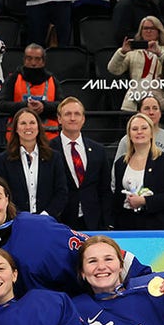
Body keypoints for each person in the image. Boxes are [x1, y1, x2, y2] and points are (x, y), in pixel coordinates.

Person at [0, 174, 148, 296]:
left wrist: (146, 279)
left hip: (49, 321)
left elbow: (97, 252)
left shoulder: (41, 230)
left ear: (7, 199)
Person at [112, 112, 164, 231]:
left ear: (151, 133)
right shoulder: (121, 163)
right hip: (127, 226)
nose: (139, 132)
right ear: (129, 134)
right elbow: (117, 199)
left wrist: (145, 201)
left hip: (159, 226)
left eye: (144, 128)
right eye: (134, 129)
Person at [51, 97, 114, 230]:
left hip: (94, 222)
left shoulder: (98, 150)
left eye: (77, 114)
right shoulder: (48, 150)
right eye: (67, 114)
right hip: (61, 222)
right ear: (59, 119)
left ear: (83, 119)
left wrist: (107, 222)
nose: (72, 118)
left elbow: (105, 190)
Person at [0, 107, 68, 218]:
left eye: (32, 123)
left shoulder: (54, 157)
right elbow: (2, 194)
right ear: (16, 129)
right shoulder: (3, 160)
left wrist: (45, 216)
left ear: (38, 127)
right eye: (23, 123)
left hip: (48, 221)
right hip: (16, 221)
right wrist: (21, 217)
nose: (28, 127)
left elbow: (61, 192)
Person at [108, 16, 164, 111]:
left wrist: (159, 54)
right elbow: (114, 70)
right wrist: (122, 52)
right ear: (141, 31)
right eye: (145, 28)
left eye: (152, 28)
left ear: (159, 31)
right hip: (134, 100)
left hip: (161, 98)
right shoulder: (133, 52)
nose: (148, 31)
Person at [0, 43, 62, 139]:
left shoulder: (52, 80)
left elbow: (62, 106)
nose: (33, 63)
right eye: (29, 58)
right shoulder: (13, 78)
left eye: (37, 59)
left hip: (49, 137)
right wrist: (25, 106)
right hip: (17, 138)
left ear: (43, 62)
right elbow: (1, 105)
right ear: (24, 60)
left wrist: (44, 106)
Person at [114, 94, 164, 166]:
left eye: (155, 108)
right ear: (139, 113)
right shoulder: (127, 140)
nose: (151, 112)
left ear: (160, 113)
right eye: (147, 108)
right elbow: (116, 172)